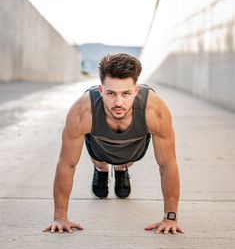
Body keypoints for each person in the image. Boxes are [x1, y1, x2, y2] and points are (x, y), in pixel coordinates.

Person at [43, 53, 184, 235]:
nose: (119, 102)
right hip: (100, 148)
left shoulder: (154, 111)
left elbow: (167, 165)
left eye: (126, 93)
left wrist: (170, 218)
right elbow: (67, 164)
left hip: (133, 148)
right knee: (100, 158)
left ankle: (121, 169)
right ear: (101, 90)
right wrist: (60, 217)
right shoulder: (82, 111)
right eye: (111, 93)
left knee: (124, 160)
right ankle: (101, 169)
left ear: (136, 91)